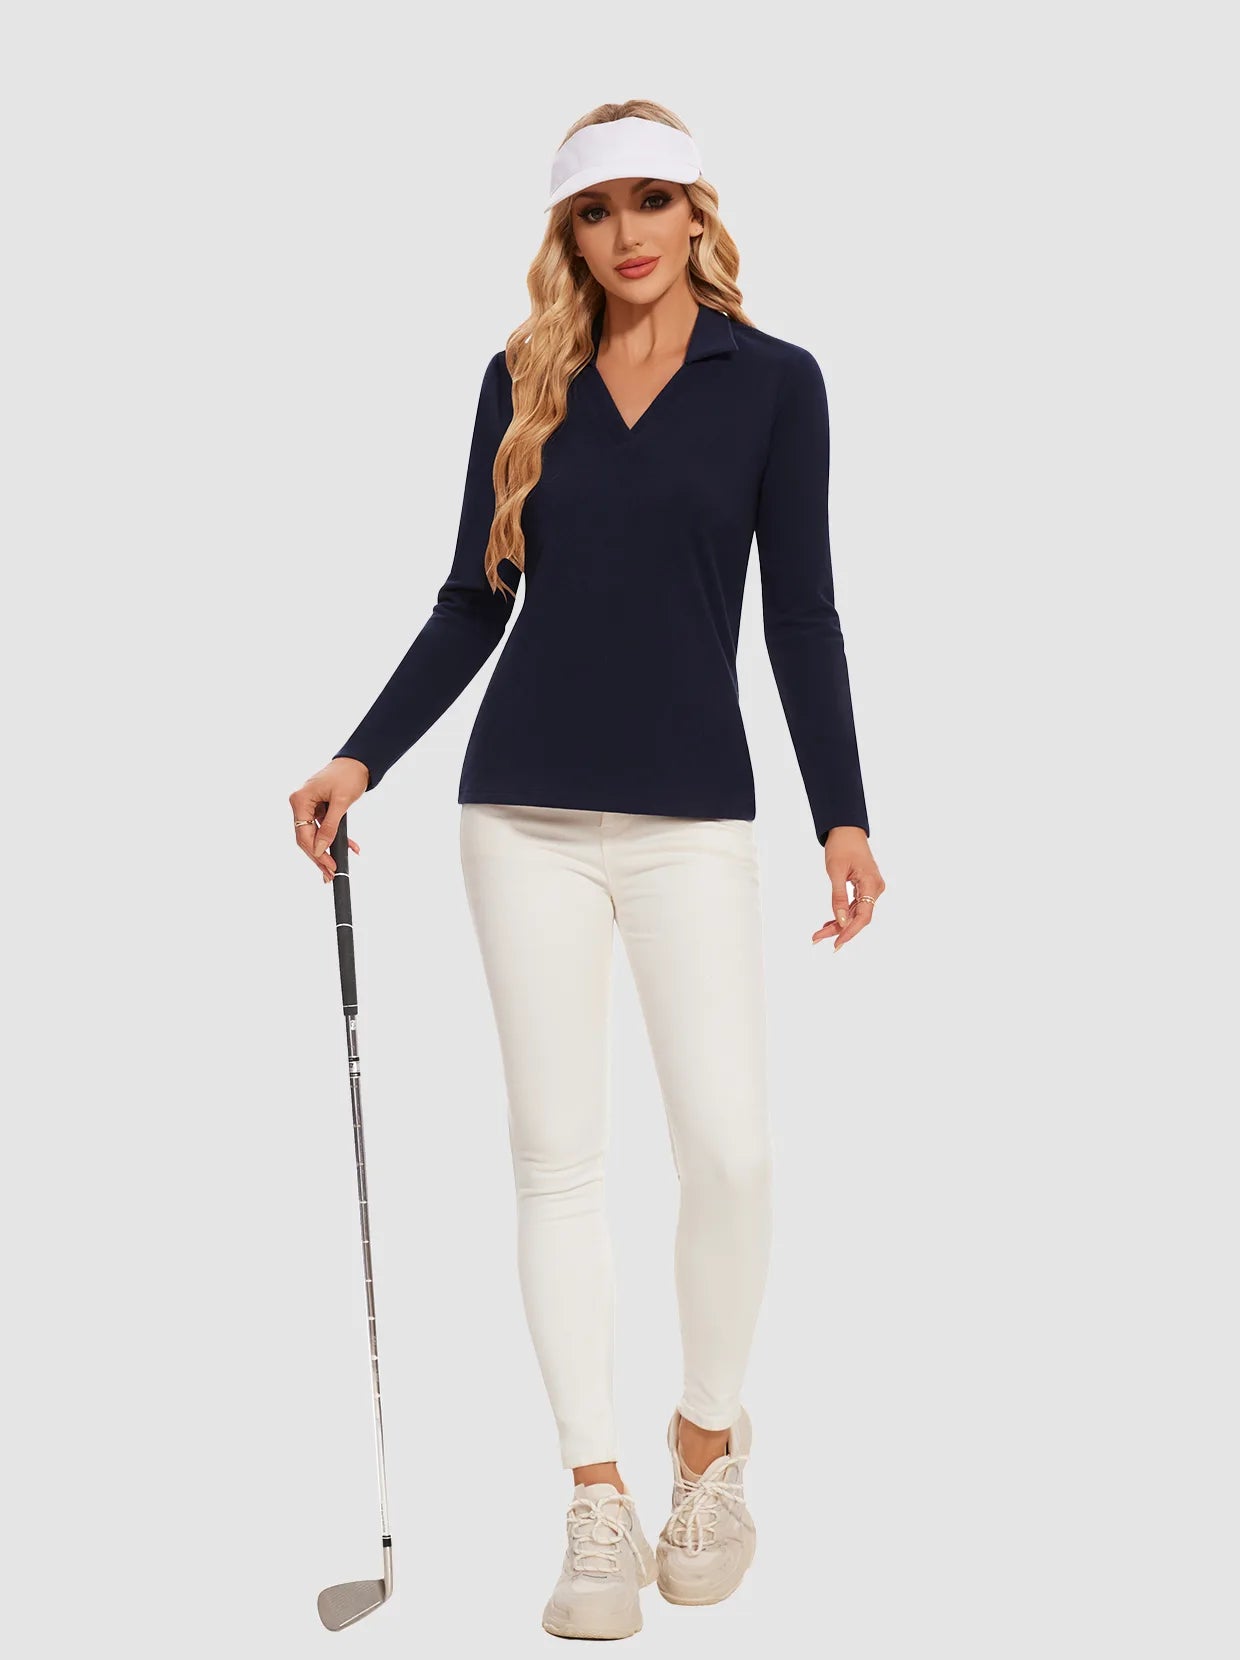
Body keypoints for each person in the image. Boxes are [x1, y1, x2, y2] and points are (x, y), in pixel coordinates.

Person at [289, 99, 886, 1640]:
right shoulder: (522, 377)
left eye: (653, 202)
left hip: (694, 820)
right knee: (556, 1160)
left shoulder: (776, 383)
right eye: (597, 210)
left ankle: (708, 1444)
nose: (628, 234)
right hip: (522, 817)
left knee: (731, 1156)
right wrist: (361, 757)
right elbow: (470, 602)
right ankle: (597, 1497)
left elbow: (800, 614)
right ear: (570, 231)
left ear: (698, 213)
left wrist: (842, 815)